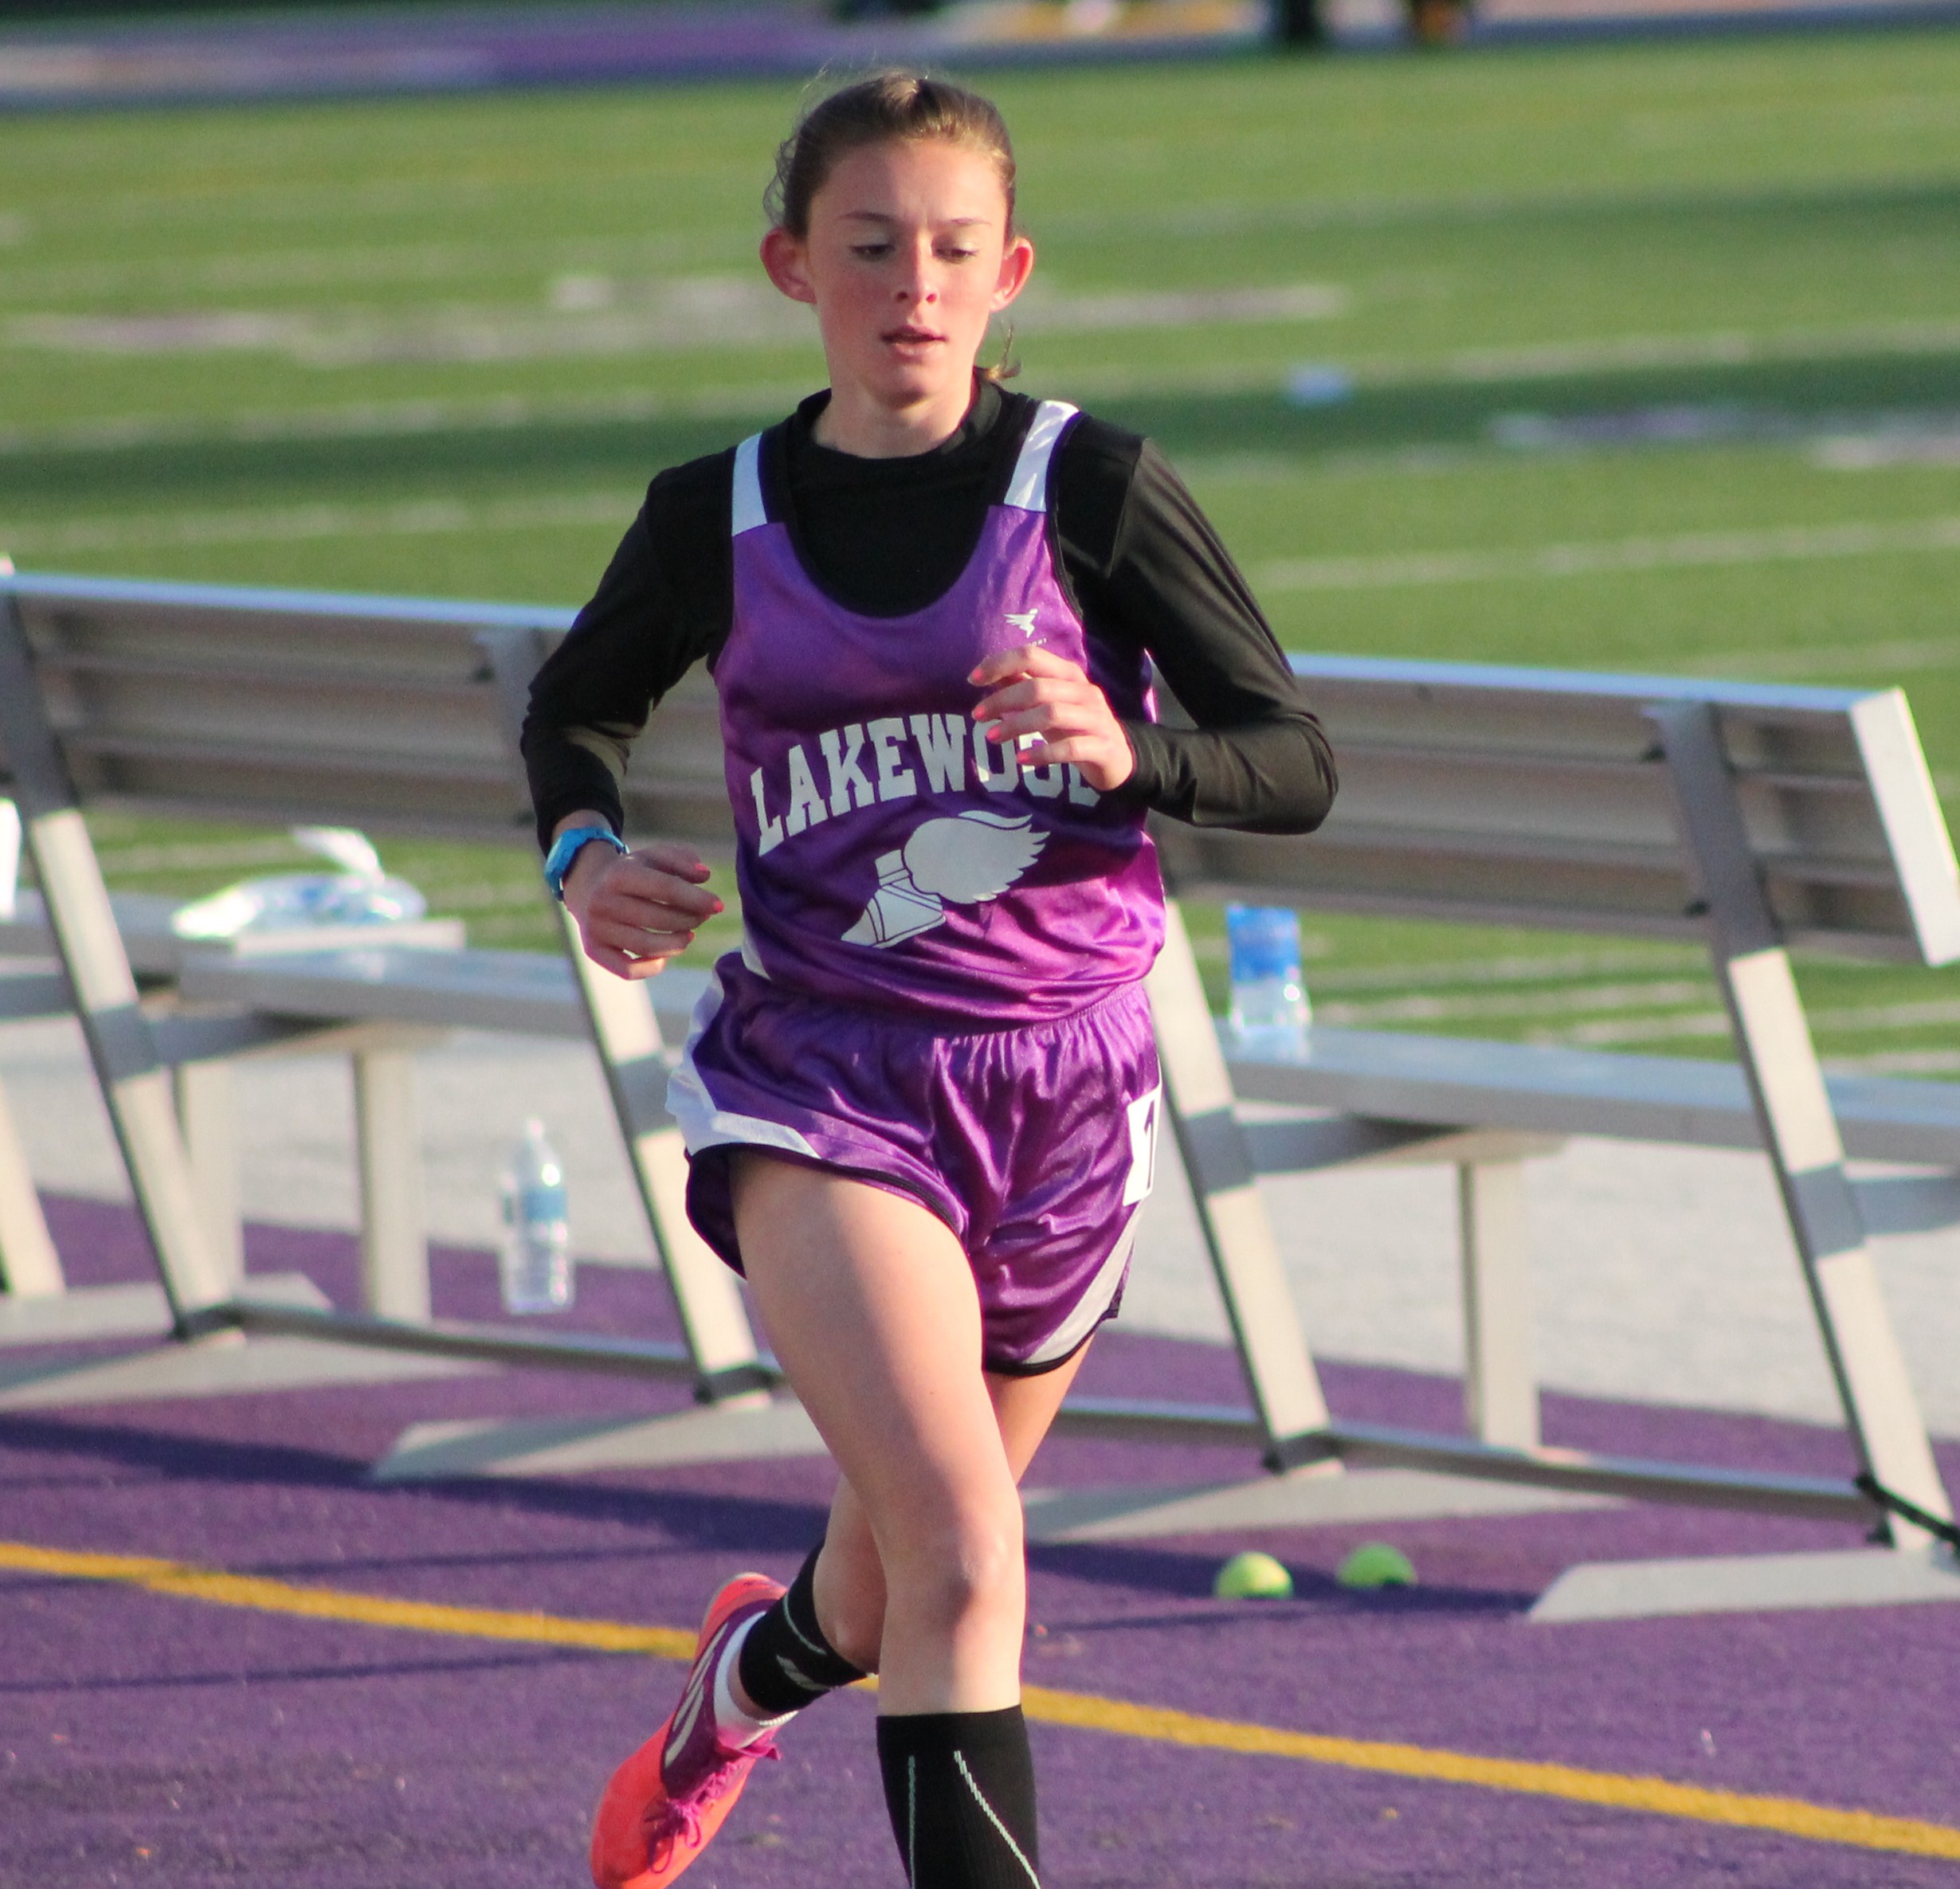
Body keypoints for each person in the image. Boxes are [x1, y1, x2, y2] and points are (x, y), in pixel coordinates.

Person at [522, 69, 1336, 1889]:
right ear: (788, 267)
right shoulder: (715, 511)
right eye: (871, 245)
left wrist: (1135, 760)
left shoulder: (1095, 490)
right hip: (826, 1079)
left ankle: (742, 1683)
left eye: (955, 249)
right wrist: (584, 854)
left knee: (896, 1585)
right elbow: (575, 704)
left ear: (1014, 269)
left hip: (1065, 1094)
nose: (915, 284)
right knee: (970, 1551)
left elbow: (1291, 758)